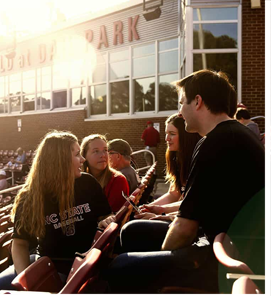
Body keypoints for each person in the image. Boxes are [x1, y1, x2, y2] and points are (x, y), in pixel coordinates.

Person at [102, 69, 264, 293]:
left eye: (181, 103)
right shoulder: (236, 135)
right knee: (132, 231)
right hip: (227, 244)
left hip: (225, 255)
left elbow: (185, 228)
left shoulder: (215, 142)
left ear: (198, 101)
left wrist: (161, 256)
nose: (179, 113)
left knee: (120, 267)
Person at [0, 131, 115, 293]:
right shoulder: (30, 197)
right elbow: (20, 243)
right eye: (77, 155)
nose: (83, 160)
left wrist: (105, 221)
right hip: (51, 265)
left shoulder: (88, 183)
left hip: (84, 265)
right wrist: (27, 282)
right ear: (59, 161)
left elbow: (106, 215)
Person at [120, 113, 201, 252]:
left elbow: (194, 204)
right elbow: (173, 194)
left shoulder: (197, 160)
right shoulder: (176, 158)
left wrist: (162, 213)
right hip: (179, 216)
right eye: (166, 133)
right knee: (132, 222)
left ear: (186, 136)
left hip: (192, 225)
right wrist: (150, 207)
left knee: (132, 230)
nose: (166, 138)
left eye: (172, 134)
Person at [81, 134, 129, 213]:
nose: (103, 155)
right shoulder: (79, 179)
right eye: (96, 151)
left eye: (105, 150)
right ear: (84, 155)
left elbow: (110, 217)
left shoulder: (118, 180)